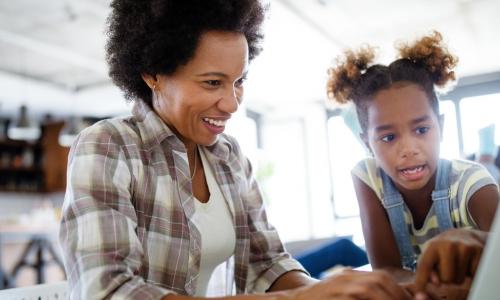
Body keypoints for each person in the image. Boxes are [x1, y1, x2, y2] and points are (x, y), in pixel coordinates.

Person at [59, 1, 411, 299]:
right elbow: (108, 291)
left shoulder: (228, 157)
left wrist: (326, 291)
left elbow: (266, 263)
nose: (231, 103)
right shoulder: (109, 147)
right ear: (153, 73)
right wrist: (302, 297)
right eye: (212, 82)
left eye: (239, 81)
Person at [326, 31, 500, 297]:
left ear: (440, 126)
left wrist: (478, 242)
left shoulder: (471, 182)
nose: (408, 149)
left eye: (421, 130)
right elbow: (386, 271)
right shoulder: (368, 177)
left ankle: (487, 151)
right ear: (366, 143)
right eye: (388, 137)